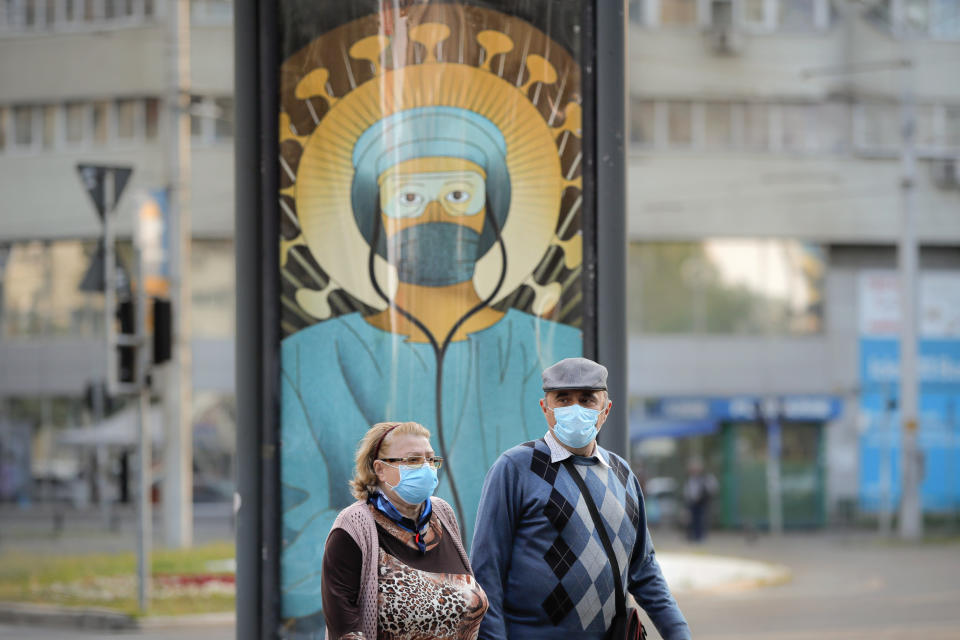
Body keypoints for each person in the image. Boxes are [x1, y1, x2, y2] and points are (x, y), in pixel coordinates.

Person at [471, 357, 691, 640]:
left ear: (606, 410)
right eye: (563, 400)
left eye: (587, 400)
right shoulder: (515, 468)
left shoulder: (622, 474)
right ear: (545, 408)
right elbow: (487, 571)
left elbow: (644, 569)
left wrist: (679, 633)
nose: (575, 409)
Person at [321, 421, 488, 640]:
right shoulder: (354, 527)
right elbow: (344, 630)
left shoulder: (442, 514)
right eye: (413, 460)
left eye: (431, 459)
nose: (426, 468)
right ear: (380, 469)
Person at [683, 458, 718, 543]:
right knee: (692, 519)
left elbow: (713, 488)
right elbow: (687, 490)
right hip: (692, 503)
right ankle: (693, 536)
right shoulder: (689, 479)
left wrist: (703, 496)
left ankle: (700, 536)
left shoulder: (705, 478)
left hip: (702, 503)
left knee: (701, 519)